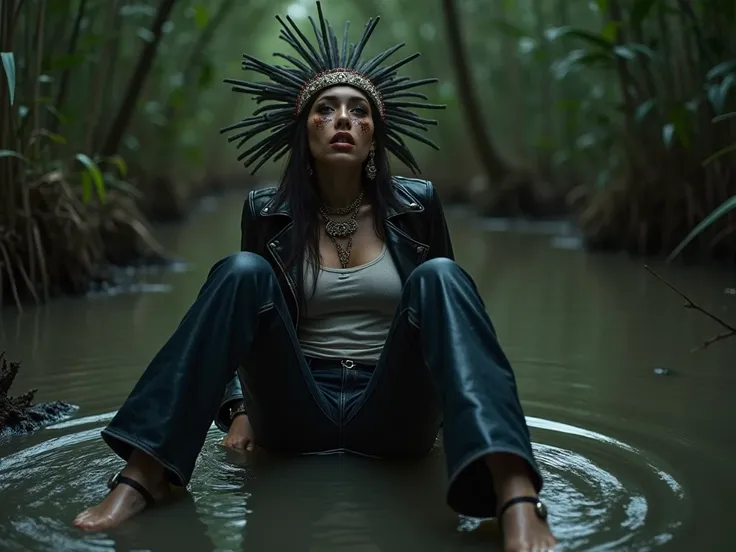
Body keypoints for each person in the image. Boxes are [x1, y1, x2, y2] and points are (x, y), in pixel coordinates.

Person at [73, 4, 558, 551]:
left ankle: (515, 494)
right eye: (326, 110)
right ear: (305, 134)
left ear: (374, 136)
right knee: (241, 270)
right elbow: (242, 321)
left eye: (358, 111)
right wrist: (237, 410)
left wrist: (448, 422)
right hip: (296, 408)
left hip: (392, 409)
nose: (343, 119)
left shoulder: (417, 207)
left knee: (442, 277)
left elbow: (449, 324)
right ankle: (142, 476)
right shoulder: (266, 213)